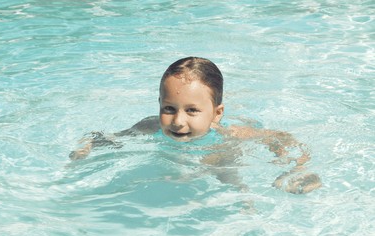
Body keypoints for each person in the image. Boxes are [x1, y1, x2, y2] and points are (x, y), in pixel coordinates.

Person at [70, 57, 321, 194]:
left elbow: (282, 138)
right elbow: (107, 137)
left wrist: (296, 169)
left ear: (217, 114)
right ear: (159, 104)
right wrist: (87, 146)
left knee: (234, 187)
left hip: (219, 157)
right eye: (169, 109)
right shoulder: (149, 127)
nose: (178, 122)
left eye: (192, 110)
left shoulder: (232, 135)